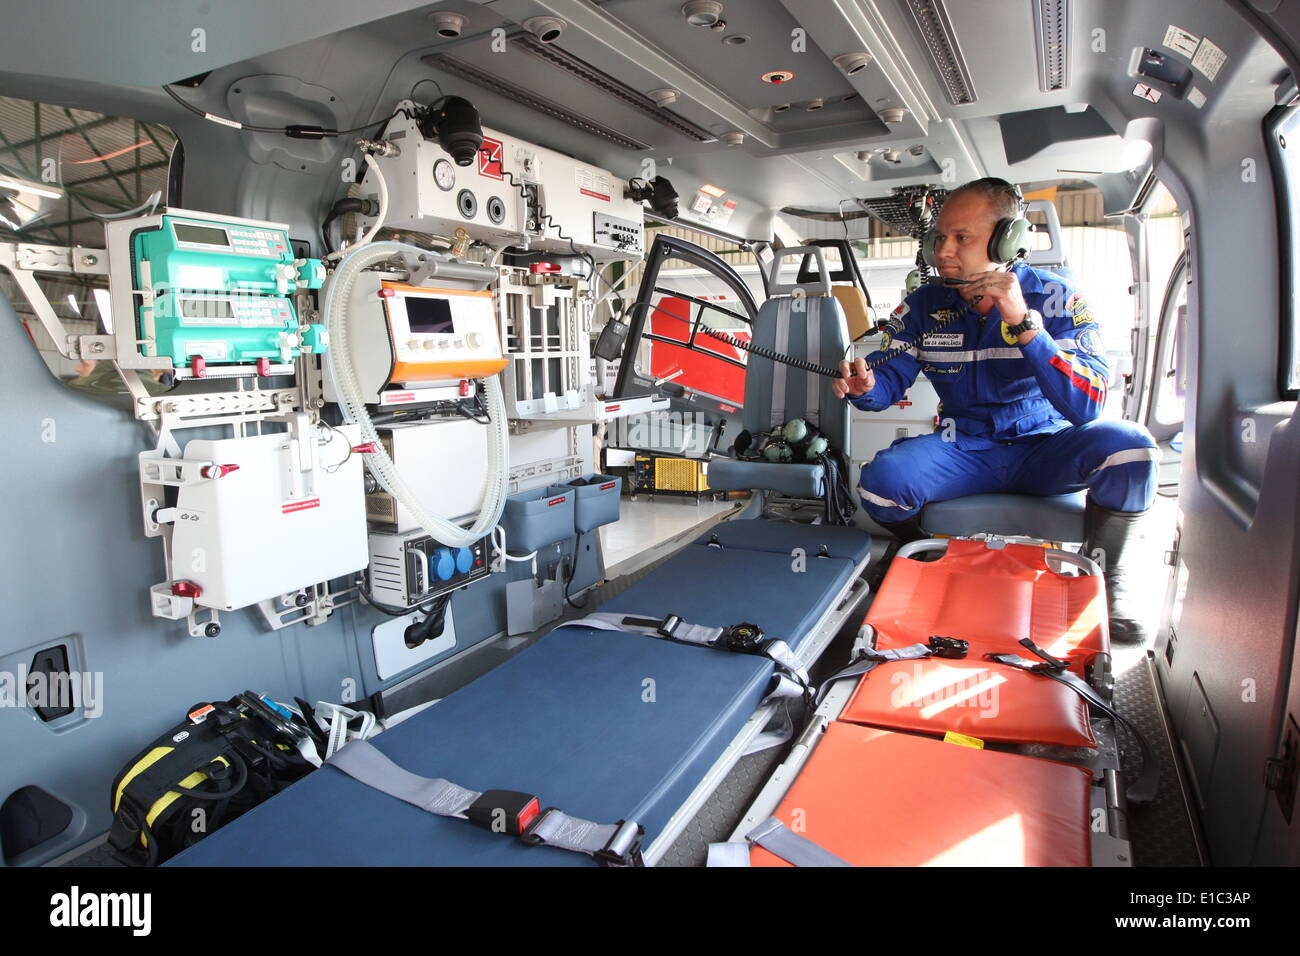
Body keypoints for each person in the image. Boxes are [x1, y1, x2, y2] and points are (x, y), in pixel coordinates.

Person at [833, 178, 1159, 642]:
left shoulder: (1060, 299)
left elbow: (1087, 406)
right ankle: (914, 548)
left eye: (961, 238)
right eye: (938, 237)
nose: (942, 251)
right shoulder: (924, 307)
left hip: (1046, 446)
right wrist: (864, 386)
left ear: (1008, 239)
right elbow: (886, 383)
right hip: (964, 447)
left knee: (1132, 449)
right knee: (881, 484)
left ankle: (1107, 578)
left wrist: (1023, 323)